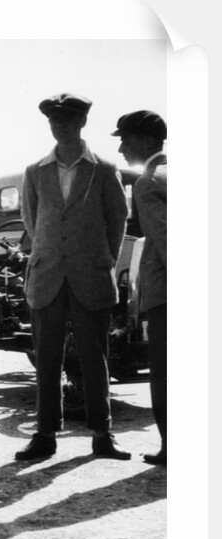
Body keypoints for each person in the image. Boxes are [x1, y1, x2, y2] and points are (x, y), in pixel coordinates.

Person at [15, 93, 129, 461]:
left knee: (95, 357)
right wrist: (52, 253)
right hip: (47, 275)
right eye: (53, 120)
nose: (59, 125)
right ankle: (45, 434)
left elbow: (117, 221)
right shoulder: (35, 172)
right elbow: (33, 223)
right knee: (47, 357)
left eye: (67, 119)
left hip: (90, 275)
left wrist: (100, 261)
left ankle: (102, 434)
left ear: (82, 123)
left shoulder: (103, 169)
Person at [112, 110, 167, 465]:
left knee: (166, 371)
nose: (120, 147)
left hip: (169, 294)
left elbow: (167, 241)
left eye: (125, 138)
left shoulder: (147, 182)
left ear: (146, 141)